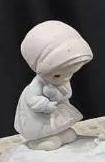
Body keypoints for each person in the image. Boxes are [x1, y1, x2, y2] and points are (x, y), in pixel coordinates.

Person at [14, 20, 93, 150]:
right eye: (57, 75)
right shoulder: (38, 83)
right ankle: (38, 140)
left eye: (71, 72)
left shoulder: (64, 80)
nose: (66, 78)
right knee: (42, 128)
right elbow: (32, 99)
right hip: (42, 114)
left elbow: (68, 93)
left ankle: (60, 133)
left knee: (60, 126)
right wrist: (45, 105)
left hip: (57, 109)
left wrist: (61, 95)